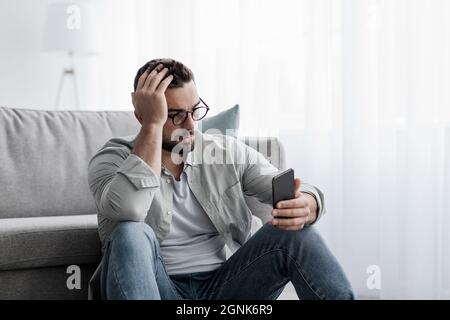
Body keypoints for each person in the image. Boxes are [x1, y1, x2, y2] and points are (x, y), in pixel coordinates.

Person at [87, 58, 354, 300]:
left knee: (295, 232)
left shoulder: (225, 152)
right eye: (176, 115)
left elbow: (283, 185)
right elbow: (129, 209)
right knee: (130, 232)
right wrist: (153, 127)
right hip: (159, 289)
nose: (191, 125)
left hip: (227, 288)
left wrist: (308, 202)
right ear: (143, 115)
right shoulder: (113, 159)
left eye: (195, 110)